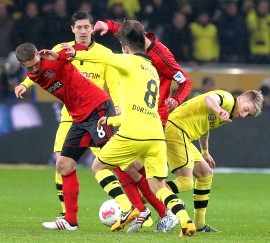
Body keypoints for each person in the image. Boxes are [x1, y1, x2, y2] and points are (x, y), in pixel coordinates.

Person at [61, 28, 196, 237]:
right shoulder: (151, 69)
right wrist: (113, 119)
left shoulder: (129, 62)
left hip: (134, 133)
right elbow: (137, 107)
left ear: (125, 48)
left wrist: (75, 53)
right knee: (158, 186)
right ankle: (185, 221)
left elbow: (103, 57)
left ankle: (128, 207)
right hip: (156, 136)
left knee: (99, 166)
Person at [14, 10, 120, 220]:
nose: (82, 31)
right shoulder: (59, 50)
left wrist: (116, 105)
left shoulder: (104, 53)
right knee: (61, 162)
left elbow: (113, 82)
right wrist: (24, 84)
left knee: (109, 161)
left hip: (97, 111)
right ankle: (66, 214)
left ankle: (126, 204)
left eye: (86, 27)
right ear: (72, 29)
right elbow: (37, 69)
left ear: (92, 29)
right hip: (70, 115)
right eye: (78, 27)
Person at [93, 19, 192, 232]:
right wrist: (108, 26)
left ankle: (155, 212)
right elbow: (125, 31)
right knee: (129, 167)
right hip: (137, 116)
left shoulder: (162, 57)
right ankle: (151, 211)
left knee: (132, 167)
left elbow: (185, 81)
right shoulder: (137, 41)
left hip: (153, 118)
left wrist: (177, 99)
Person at [165, 89, 263, 232]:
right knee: (185, 182)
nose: (243, 115)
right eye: (246, 109)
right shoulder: (227, 99)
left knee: (206, 173)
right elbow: (209, 99)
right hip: (177, 130)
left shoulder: (228, 112)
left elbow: (205, 126)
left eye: (248, 115)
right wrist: (219, 110)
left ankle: (199, 224)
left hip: (183, 134)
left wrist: (205, 152)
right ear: (241, 99)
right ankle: (141, 198)